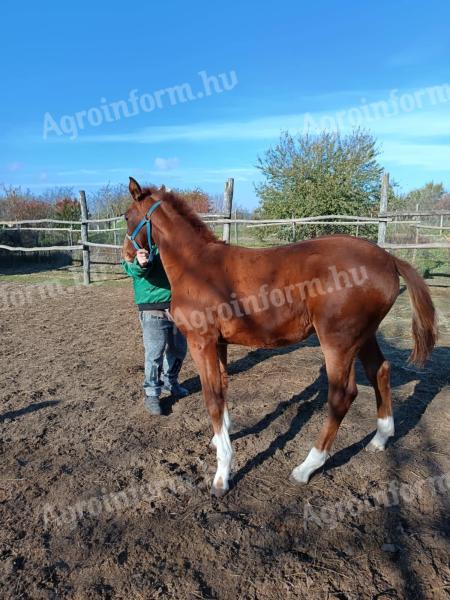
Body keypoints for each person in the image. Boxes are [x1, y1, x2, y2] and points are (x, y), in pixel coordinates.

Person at [122, 247, 188, 415]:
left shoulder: (172, 241)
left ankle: (170, 382)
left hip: (178, 306)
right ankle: (152, 393)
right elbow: (130, 268)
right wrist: (140, 263)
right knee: (154, 353)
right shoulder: (136, 244)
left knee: (178, 349)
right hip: (152, 306)